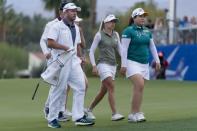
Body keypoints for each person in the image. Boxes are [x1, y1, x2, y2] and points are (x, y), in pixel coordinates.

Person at [46, 3, 94, 128]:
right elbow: (50, 43)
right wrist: (64, 47)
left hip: (73, 61)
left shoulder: (76, 28)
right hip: (61, 61)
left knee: (80, 86)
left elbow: (77, 44)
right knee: (59, 89)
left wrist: (80, 57)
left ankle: (78, 117)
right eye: (72, 11)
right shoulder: (56, 26)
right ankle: (52, 119)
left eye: (75, 11)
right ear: (65, 12)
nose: (74, 13)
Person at [120, 8, 161, 122]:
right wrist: (123, 65)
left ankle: (135, 112)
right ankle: (135, 113)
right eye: (140, 16)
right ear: (134, 18)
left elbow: (152, 47)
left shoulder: (147, 31)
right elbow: (124, 49)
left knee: (139, 88)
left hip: (144, 63)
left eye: (144, 16)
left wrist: (157, 60)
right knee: (140, 84)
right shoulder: (128, 31)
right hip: (132, 62)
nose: (143, 18)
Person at [86, 14, 124, 121]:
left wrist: (125, 63)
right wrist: (94, 66)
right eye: (111, 21)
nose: (113, 23)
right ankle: (114, 113)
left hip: (113, 66)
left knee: (103, 91)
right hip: (102, 64)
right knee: (111, 86)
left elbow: (120, 50)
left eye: (114, 21)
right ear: (106, 23)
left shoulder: (116, 34)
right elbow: (91, 51)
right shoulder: (99, 35)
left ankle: (89, 109)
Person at [39, 2, 71, 122]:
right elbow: (43, 41)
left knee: (64, 86)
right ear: (60, 11)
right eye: (64, 10)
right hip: (53, 59)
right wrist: (46, 52)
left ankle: (59, 111)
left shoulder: (71, 24)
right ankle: (49, 108)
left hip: (66, 59)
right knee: (56, 85)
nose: (66, 13)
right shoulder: (51, 24)